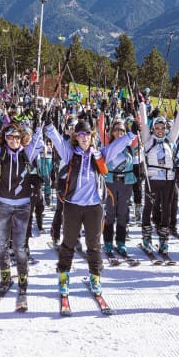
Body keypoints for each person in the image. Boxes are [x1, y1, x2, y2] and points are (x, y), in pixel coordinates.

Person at [44, 113, 136, 298]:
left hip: (94, 207)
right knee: (68, 243)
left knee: (93, 245)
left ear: (91, 136)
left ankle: (95, 276)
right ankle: (64, 275)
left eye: (87, 135)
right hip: (73, 206)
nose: (84, 138)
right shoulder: (71, 153)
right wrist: (49, 127)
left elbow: (116, 146)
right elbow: (58, 142)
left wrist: (131, 135)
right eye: (80, 135)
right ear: (76, 138)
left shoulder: (99, 154)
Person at [0, 120, 44, 304]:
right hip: (3, 204)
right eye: (10, 137)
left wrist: (39, 124)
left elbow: (38, 142)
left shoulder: (26, 153)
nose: (13, 140)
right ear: (5, 139)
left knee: (19, 245)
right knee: (2, 243)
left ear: (21, 138)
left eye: (16, 137)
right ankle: (5, 276)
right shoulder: (0, 153)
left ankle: (23, 277)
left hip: (23, 204)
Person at [139, 104, 179, 260]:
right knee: (149, 207)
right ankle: (147, 238)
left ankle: (164, 240)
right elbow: (144, 124)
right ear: (154, 129)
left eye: (163, 127)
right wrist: (141, 105)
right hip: (152, 179)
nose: (160, 130)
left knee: (166, 210)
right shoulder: (148, 140)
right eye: (157, 127)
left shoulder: (170, 139)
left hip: (168, 179)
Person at [102, 117, 137, 260]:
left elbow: (138, 131)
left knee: (123, 213)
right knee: (110, 213)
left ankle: (121, 242)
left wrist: (138, 118)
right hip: (111, 182)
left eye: (122, 130)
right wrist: (102, 114)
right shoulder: (108, 145)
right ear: (112, 132)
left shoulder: (130, 146)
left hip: (126, 183)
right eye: (116, 129)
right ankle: (108, 241)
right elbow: (100, 126)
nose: (119, 132)